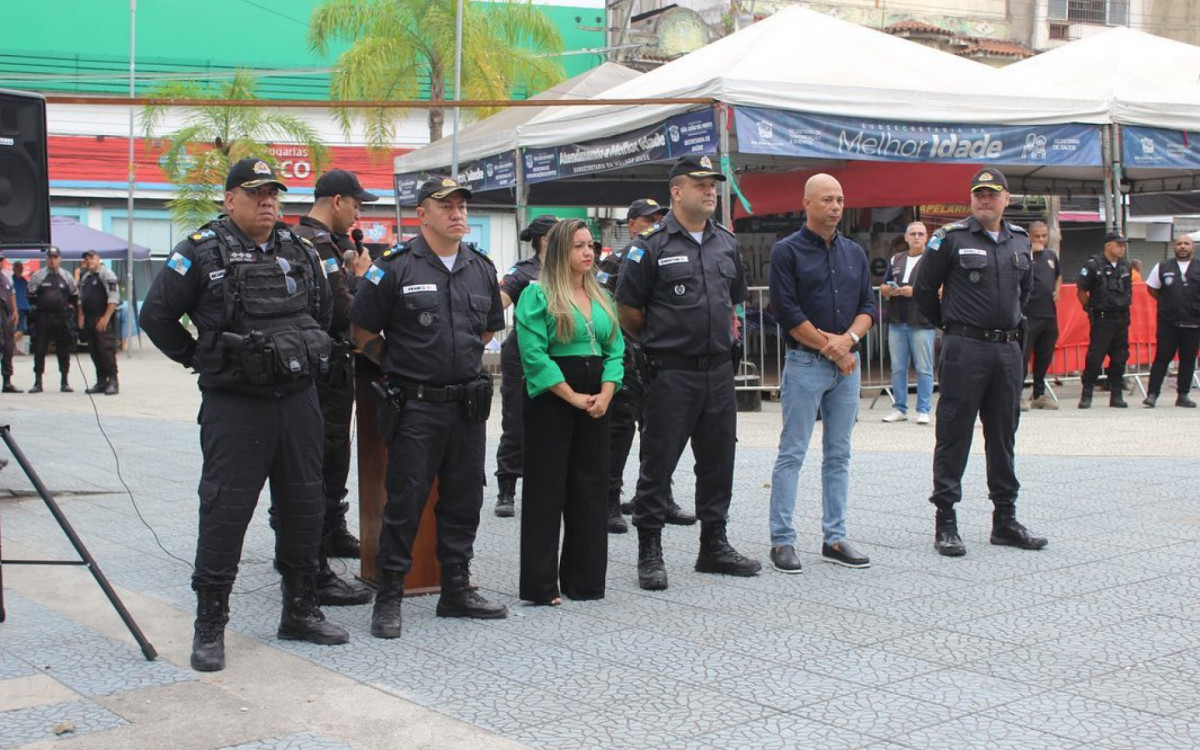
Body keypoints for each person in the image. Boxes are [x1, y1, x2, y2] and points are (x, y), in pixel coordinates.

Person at [139, 158, 348, 672]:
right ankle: (210, 624)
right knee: (225, 512)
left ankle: (300, 609)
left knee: (304, 507)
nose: (268, 203)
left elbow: (320, 312)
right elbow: (156, 316)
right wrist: (201, 357)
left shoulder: (299, 249)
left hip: (298, 400)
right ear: (230, 199)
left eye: (273, 194)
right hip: (236, 406)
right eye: (256, 194)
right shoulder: (200, 251)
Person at [349, 176, 508, 638]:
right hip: (416, 406)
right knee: (405, 500)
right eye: (446, 206)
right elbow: (362, 335)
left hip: (466, 404)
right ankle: (390, 595)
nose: (457, 214)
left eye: (461, 206)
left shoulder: (480, 267)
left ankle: (456, 588)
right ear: (422, 215)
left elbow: (486, 332)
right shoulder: (394, 267)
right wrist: (403, 367)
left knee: (464, 498)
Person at [615, 155, 761, 591]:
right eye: (700, 184)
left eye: (713, 183)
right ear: (677, 192)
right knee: (658, 462)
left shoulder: (726, 243)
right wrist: (667, 343)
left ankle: (713, 545)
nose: (710, 190)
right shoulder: (651, 245)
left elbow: (734, 298)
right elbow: (629, 312)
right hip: (670, 373)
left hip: (718, 371)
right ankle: (650, 550)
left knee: (718, 461)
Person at [914, 168, 1047, 557]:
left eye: (992, 194)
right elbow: (924, 291)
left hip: (1007, 351)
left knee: (1004, 434)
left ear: (1007, 198)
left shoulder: (1020, 241)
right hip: (965, 349)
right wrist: (952, 325)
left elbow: (1027, 291)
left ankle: (1005, 519)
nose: (984, 200)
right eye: (978, 194)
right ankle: (946, 521)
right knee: (954, 433)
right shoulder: (950, 239)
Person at [766, 175, 874, 574]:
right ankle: (782, 540)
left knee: (839, 454)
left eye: (841, 199)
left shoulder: (854, 253)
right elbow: (788, 313)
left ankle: (835, 536)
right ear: (806, 203)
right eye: (827, 199)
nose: (835, 206)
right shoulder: (786, 252)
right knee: (792, 452)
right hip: (807, 364)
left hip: (847, 367)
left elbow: (868, 305)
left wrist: (848, 341)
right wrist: (834, 348)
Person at [515, 218, 624, 604]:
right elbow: (533, 355)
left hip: (598, 396)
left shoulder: (602, 296)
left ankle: (585, 580)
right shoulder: (538, 295)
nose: (588, 253)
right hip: (553, 398)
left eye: (590, 245)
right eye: (578, 246)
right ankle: (541, 585)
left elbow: (616, 350)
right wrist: (573, 396)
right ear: (560, 250)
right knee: (547, 489)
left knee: (591, 487)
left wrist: (607, 392)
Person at [291, 169, 377, 605]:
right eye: (357, 204)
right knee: (322, 455)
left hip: (332, 364)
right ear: (337, 201)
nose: (358, 213)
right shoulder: (316, 243)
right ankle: (314, 552)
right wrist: (361, 277)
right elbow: (343, 307)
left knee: (334, 451)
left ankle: (330, 528)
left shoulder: (324, 241)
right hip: (323, 365)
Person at [598, 198, 695, 532]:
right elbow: (600, 305)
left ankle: (657, 495)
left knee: (661, 431)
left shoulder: (668, 253)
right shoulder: (614, 263)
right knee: (620, 429)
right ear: (632, 224)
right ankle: (609, 499)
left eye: (660, 218)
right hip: (624, 356)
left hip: (660, 355)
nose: (655, 223)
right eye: (648, 219)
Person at [493, 214, 557, 518]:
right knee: (516, 421)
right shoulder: (524, 271)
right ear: (545, 241)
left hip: (559, 352)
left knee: (554, 423)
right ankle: (506, 488)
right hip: (522, 353)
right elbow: (499, 302)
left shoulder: (572, 269)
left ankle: (550, 488)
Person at [880, 221, 934, 425]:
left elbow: (941, 288)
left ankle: (923, 409)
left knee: (924, 367)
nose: (917, 237)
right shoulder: (896, 259)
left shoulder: (932, 259)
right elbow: (883, 285)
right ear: (906, 237)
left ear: (926, 237)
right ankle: (900, 407)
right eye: (913, 234)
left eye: (921, 234)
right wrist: (890, 290)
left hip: (922, 320)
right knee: (898, 367)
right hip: (897, 319)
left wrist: (915, 291)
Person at [1077, 232, 1133, 409]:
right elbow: (1081, 290)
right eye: (1119, 244)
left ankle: (1116, 395)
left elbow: (1128, 289)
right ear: (1108, 245)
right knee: (1095, 357)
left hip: (1121, 317)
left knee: (1119, 357)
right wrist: (1090, 308)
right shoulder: (1093, 265)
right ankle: (1087, 394)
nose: (1122, 248)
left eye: (1123, 245)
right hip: (1102, 318)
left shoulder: (1126, 266)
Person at [1143, 233, 1200, 408]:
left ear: (1193, 247)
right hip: (1168, 323)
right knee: (1162, 358)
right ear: (1174, 247)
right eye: (1179, 243)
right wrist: (1168, 303)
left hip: (1193, 322)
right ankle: (1152, 394)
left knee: (1188, 359)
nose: (1182, 246)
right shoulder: (1162, 266)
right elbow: (1152, 288)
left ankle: (1183, 395)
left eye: (1186, 244)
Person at [1022, 221, 1062, 411]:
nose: (1040, 240)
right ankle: (1017, 394)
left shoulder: (1051, 256)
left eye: (1044, 236)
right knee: (1022, 356)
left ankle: (1038, 394)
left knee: (1044, 356)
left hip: (1049, 314)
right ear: (1029, 236)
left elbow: (1058, 276)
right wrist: (1032, 253)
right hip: (1029, 314)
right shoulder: (1024, 255)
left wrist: (1058, 289)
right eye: (1036, 236)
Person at [26, 246, 77, 393]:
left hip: (61, 318)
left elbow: (74, 294)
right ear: (46, 259)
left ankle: (65, 382)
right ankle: (38, 382)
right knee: (40, 349)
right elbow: (30, 293)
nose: (52, 260)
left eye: (55, 257)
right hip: (44, 318)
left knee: (63, 349)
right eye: (49, 257)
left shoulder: (66, 276)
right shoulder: (38, 275)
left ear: (59, 259)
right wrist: (41, 305)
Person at [77, 251, 121, 395]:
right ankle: (101, 381)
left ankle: (113, 381)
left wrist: (106, 317)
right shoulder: (85, 278)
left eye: (91, 258)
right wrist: (81, 317)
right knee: (95, 352)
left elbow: (114, 298)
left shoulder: (107, 274)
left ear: (98, 259)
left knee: (106, 351)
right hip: (89, 319)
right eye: (86, 259)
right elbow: (81, 300)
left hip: (102, 319)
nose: (89, 261)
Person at [0, 256, 21, 392]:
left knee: (8, 346)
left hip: (4, 315)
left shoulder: (6, 275)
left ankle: (7, 382)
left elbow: (11, 292)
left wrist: (15, 310)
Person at [12, 261, 30, 346]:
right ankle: (9, 346)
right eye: (17, 267)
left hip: (23, 309)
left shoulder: (24, 281)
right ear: (13, 269)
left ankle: (10, 346)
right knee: (15, 329)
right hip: (14, 309)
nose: (19, 269)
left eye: (21, 268)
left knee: (21, 329)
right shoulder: (11, 280)